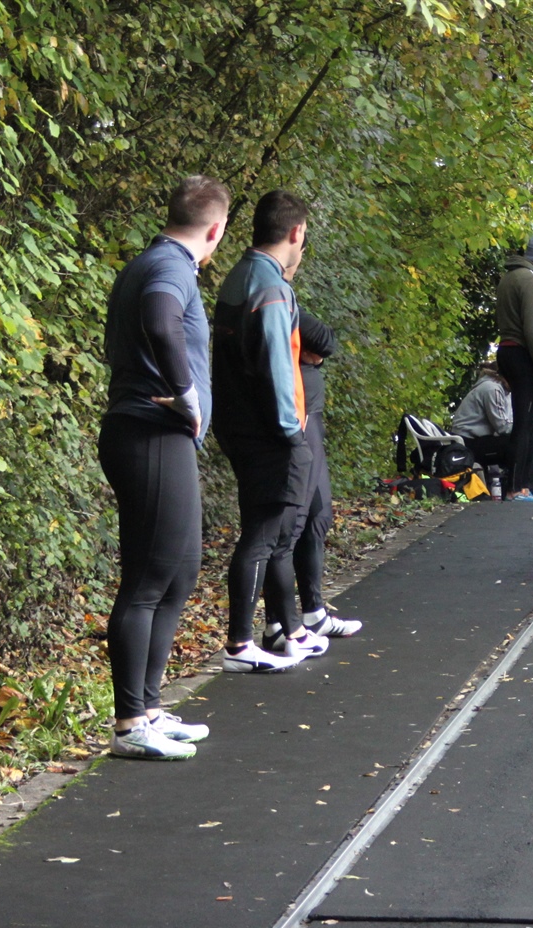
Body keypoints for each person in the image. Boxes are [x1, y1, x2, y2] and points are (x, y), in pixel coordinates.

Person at [99, 175, 230, 761]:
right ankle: (130, 725)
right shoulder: (172, 266)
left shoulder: (154, 261)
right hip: (150, 433)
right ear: (216, 229)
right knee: (148, 580)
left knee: (179, 572)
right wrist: (186, 393)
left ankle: (150, 707)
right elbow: (159, 318)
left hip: (158, 437)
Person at [211, 189, 328, 672]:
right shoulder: (273, 289)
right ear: (296, 232)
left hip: (239, 425)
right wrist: (291, 432)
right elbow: (281, 368)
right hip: (270, 432)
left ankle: (284, 631)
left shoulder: (238, 276)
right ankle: (241, 644)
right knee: (264, 537)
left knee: (273, 534)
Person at [279, 307, 362, 638]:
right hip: (298, 414)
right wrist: (309, 354)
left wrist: (312, 355)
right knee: (293, 522)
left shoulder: (279, 294)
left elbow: (322, 345)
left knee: (317, 514)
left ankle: (312, 612)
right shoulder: (272, 290)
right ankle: (282, 624)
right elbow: (323, 340)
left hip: (308, 410)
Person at [495, 233, 533, 499]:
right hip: (523, 355)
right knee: (528, 422)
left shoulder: (509, 277)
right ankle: (517, 488)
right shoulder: (531, 280)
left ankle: (517, 486)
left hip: (507, 352)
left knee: (524, 420)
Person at [451, 363, 514, 485]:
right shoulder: (492, 389)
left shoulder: (505, 392)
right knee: (518, 444)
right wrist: (531, 427)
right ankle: (516, 487)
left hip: (481, 439)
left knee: (532, 441)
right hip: (467, 443)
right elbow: (503, 427)